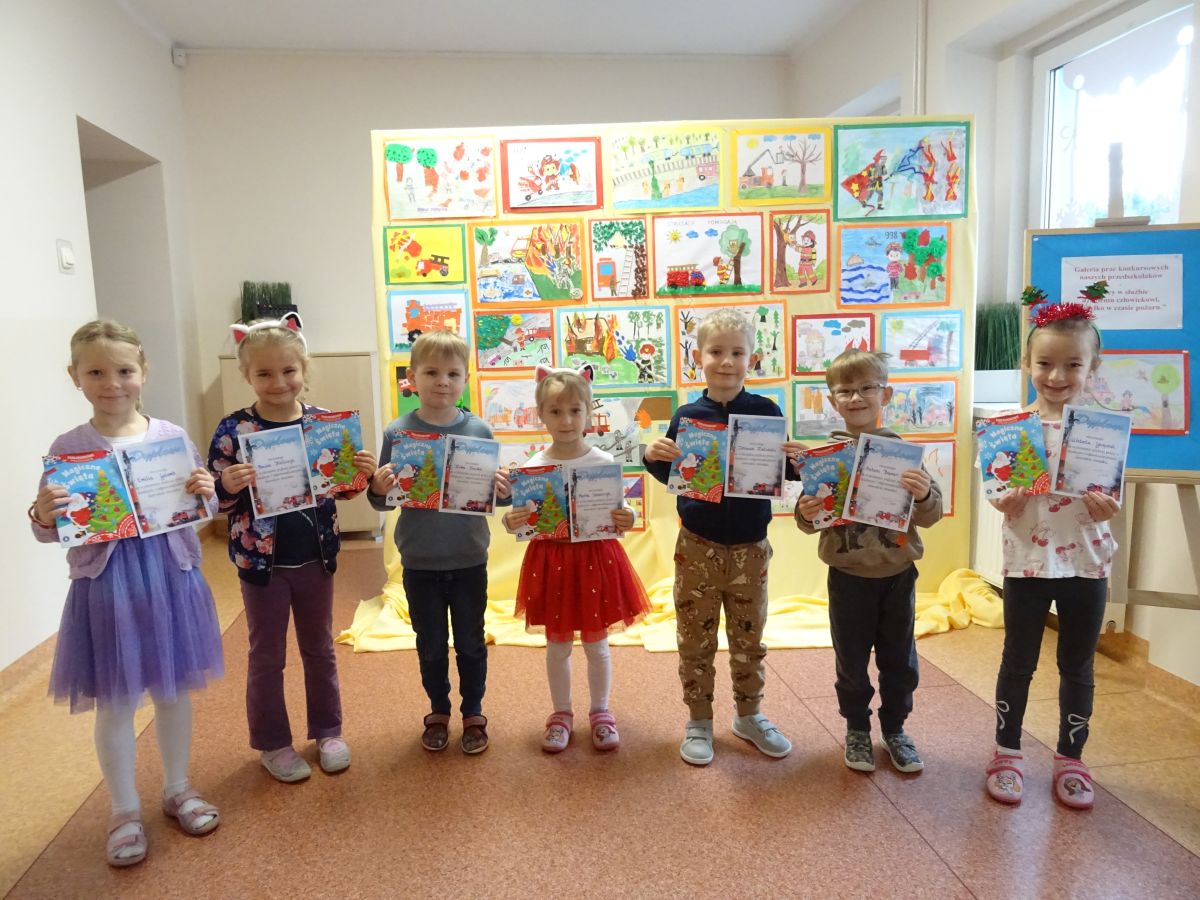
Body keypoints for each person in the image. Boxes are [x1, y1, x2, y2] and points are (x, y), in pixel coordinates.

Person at [31, 320, 224, 867]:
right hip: (107, 584)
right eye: (95, 372)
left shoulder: (170, 436)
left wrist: (206, 492)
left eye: (123, 370)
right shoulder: (69, 448)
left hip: (170, 575)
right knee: (115, 701)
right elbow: (51, 530)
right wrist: (42, 515)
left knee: (172, 691)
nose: (111, 383)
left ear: (143, 372)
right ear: (75, 377)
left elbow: (201, 508)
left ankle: (178, 788)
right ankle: (123, 810)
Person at [207, 314, 377, 783]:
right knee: (267, 655)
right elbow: (216, 501)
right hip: (261, 562)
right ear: (246, 374)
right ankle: (272, 743)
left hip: (315, 556)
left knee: (319, 648)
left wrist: (358, 473)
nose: (279, 382)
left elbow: (343, 490)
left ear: (304, 369)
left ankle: (328, 731)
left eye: (289, 370)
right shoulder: (234, 429)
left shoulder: (324, 423)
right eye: (264, 373)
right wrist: (226, 484)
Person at [644, 309, 805, 766]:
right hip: (698, 546)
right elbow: (673, 474)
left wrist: (798, 463)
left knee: (749, 637)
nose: (727, 361)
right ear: (698, 357)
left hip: (751, 548)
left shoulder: (766, 412)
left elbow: (782, 472)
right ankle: (698, 720)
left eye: (737, 352)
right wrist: (652, 455)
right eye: (716, 352)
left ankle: (749, 715)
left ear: (751, 359)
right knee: (694, 638)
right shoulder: (687, 416)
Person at [984, 288, 1119, 809]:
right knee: (1018, 662)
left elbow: (1113, 496)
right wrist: (1005, 500)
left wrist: (1107, 509)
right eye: (1044, 363)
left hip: (1087, 563)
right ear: (1027, 363)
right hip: (1027, 564)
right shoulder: (1009, 430)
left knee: (1077, 666)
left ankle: (1071, 758)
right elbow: (998, 493)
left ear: (1092, 367)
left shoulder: (1104, 431)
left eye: (1073, 365)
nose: (1057, 376)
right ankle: (1006, 752)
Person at [794, 349, 943, 774]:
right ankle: (857, 728)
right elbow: (808, 523)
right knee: (851, 662)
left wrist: (922, 494)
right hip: (847, 577)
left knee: (900, 661)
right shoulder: (824, 459)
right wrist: (805, 511)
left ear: (886, 395)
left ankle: (895, 729)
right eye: (845, 391)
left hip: (897, 575)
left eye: (866, 388)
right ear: (832, 400)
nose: (856, 397)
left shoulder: (904, 455)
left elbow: (931, 515)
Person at [367, 331, 510, 754]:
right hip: (420, 561)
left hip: (468, 559)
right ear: (412, 378)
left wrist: (504, 490)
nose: (442, 381)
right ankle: (438, 710)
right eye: (431, 372)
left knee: (471, 643)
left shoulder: (479, 429)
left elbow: (497, 496)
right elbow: (381, 499)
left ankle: (474, 711)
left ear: (466, 378)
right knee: (430, 646)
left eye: (452, 373)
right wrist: (377, 487)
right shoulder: (398, 432)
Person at [502, 365, 650, 753]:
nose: (566, 421)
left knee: (597, 645)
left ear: (588, 413)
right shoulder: (532, 467)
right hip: (551, 563)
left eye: (574, 411)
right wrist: (510, 520)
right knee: (558, 646)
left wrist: (627, 516)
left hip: (596, 560)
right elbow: (521, 519)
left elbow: (620, 509)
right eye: (555, 411)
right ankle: (561, 714)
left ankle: (601, 712)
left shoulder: (601, 460)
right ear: (540, 414)